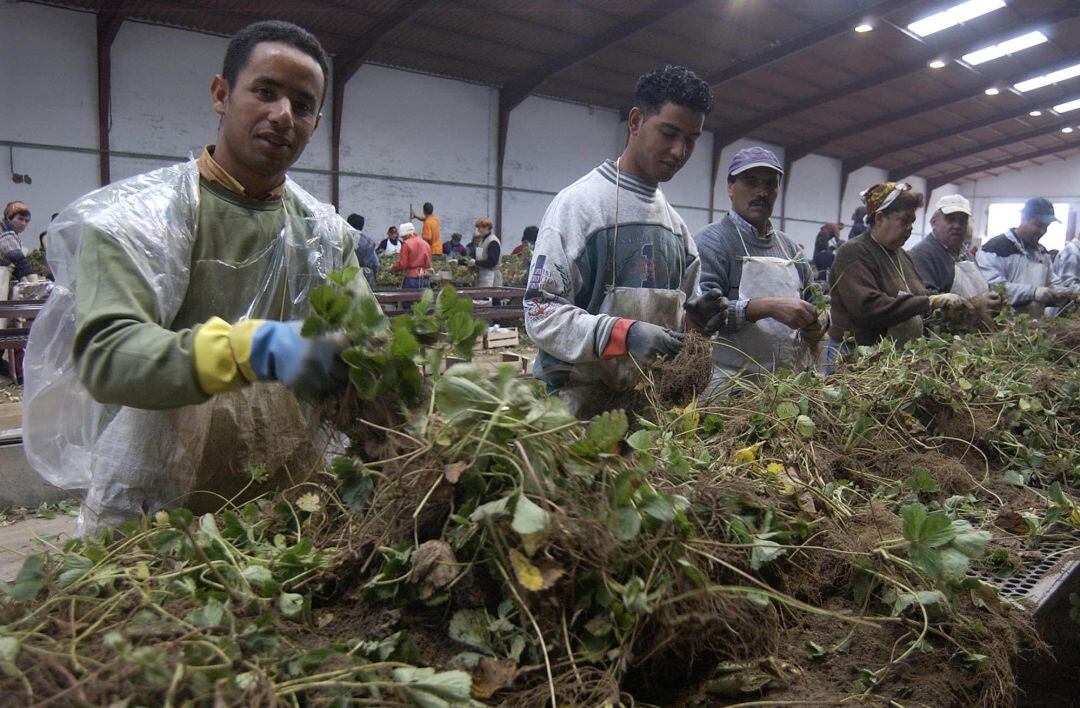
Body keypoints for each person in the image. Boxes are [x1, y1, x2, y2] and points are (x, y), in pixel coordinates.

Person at [23, 20, 372, 534]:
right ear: (221, 94)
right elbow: (109, 356)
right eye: (265, 92)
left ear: (316, 120)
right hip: (153, 506)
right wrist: (256, 350)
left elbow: (370, 348)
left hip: (287, 507)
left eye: (302, 105)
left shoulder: (324, 235)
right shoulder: (138, 219)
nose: (282, 115)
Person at [524, 64, 727, 419]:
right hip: (571, 416)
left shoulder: (677, 231)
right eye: (669, 133)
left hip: (644, 417)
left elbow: (675, 334)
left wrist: (695, 323)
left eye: (691, 141)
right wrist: (620, 334)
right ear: (635, 122)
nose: (679, 151)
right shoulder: (580, 207)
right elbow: (540, 313)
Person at [695, 147, 826, 388]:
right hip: (730, 386)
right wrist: (765, 307)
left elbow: (816, 302)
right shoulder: (713, 241)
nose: (761, 192)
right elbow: (702, 317)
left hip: (785, 385)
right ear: (730, 187)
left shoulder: (789, 248)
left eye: (770, 184)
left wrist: (819, 321)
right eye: (751, 182)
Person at [827, 183, 966, 365]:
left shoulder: (903, 256)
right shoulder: (854, 252)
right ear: (879, 218)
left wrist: (940, 307)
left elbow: (919, 298)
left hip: (894, 360)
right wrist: (929, 302)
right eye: (904, 221)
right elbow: (869, 307)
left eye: (912, 222)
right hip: (856, 359)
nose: (909, 228)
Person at [976, 198, 1069, 317]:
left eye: (1046, 226)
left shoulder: (1042, 253)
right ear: (1023, 218)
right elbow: (993, 288)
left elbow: (1052, 282)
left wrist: (1066, 294)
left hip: (1033, 329)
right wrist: (1033, 293)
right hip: (1000, 328)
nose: (1042, 231)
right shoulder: (995, 249)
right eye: (1038, 225)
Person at [909, 195, 1002, 316]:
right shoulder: (922, 254)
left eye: (962, 221)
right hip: (942, 332)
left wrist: (992, 298)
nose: (957, 226)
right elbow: (926, 302)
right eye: (950, 219)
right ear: (934, 222)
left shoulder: (965, 254)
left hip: (972, 329)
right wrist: (975, 303)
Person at [1, 201, 34, 285]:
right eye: (20, 219)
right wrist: (32, 278)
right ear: (9, 217)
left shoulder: (12, 234)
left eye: (27, 221)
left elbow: (14, 265)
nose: (23, 223)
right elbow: (16, 256)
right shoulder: (5, 232)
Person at [391, 222, 431, 288]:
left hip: (411, 278)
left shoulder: (406, 244)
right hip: (425, 277)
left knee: (408, 297)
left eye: (403, 237)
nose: (402, 239)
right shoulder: (425, 243)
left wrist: (393, 267)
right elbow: (429, 263)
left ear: (405, 235)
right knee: (423, 297)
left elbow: (403, 264)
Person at [346, 213, 378, 287]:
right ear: (362, 226)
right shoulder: (369, 241)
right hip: (365, 276)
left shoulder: (344, 238)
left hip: (347, 276)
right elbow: (375, 263)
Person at [473, 217, 502, 287]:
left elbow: (492, 262)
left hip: (491, 276)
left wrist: (476, 262)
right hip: (483, 275)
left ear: (486, 228)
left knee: (488, 296)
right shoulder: (482, 241)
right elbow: (481, 257)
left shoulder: (493, 241)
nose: (478, 230)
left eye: (480, 228)